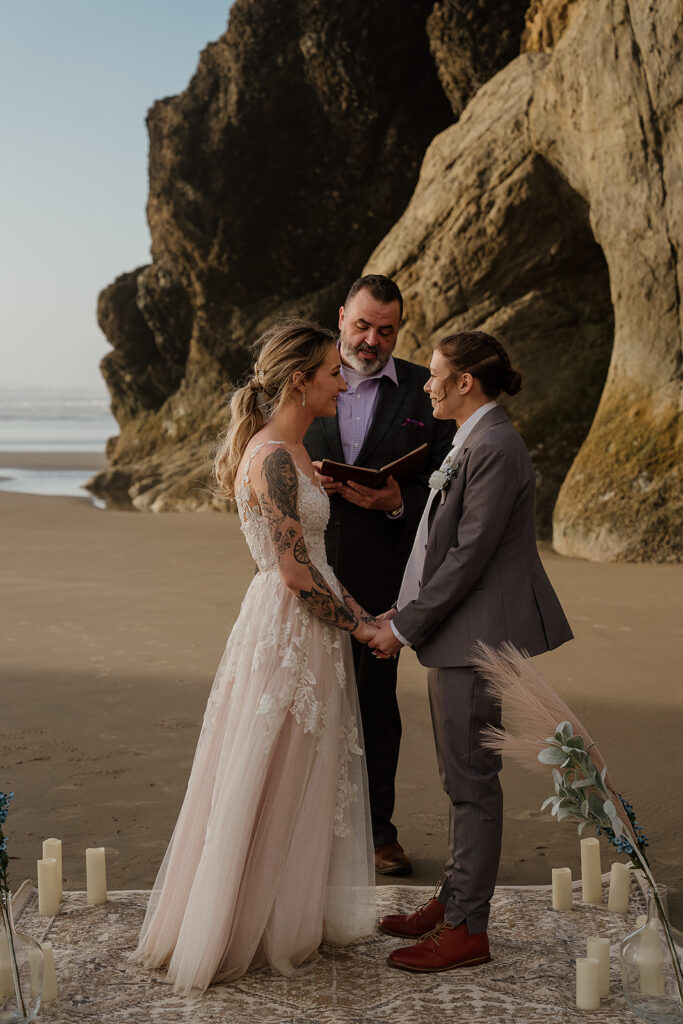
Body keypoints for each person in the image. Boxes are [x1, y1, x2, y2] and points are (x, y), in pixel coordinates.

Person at [133, 319, 377, 993]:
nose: (342, 381)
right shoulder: (271, 457)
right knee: (268, 771)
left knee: (302, 773)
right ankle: (242, 926)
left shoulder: (294, 452)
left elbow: (316, 563)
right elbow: (297, 574)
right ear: (300, 380)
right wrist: (360, 629)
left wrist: (360, 617)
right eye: (333, 371)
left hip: (308, 627)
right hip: (287, 629)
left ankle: (283, 916)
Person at [370, 330, 573, 972]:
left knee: (471, 783)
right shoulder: (473, 438)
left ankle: (467, 929)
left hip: (475, 636)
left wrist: (404, 629)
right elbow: (437, 542)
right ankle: (454, 899)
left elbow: (467, 557)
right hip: (456, 630)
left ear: (464, 383)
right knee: (460, 774)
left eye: (434, 375)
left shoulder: (496, 445)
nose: (424, 384)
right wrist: (405, 611)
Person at [304, 275, 454, 875]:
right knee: (303, 704)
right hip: (308, 568)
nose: (371, 340)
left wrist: (395, 500)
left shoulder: (425, 390)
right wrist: (295, 478)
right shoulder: (303, 376)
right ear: (341, 316)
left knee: (374, 706)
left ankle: (378, 834)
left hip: (382, 577)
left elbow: (448, 488)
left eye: (385, 331)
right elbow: (263, 452)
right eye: (362, 325)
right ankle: (303, 834)